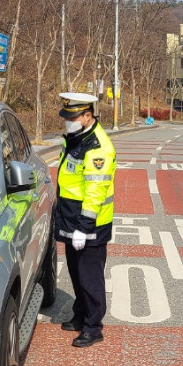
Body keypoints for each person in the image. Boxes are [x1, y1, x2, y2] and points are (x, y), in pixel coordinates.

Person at [54, 92, 116, 348]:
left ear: (87, 116)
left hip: (88, 224)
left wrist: (83, 228)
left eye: (73, 117)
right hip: (71, 219)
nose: (68, 121)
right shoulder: (76, 138)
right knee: (75, 272)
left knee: (89, 276)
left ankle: (93, 326)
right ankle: (80, 314)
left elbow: (95, 191)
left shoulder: (98, 147)